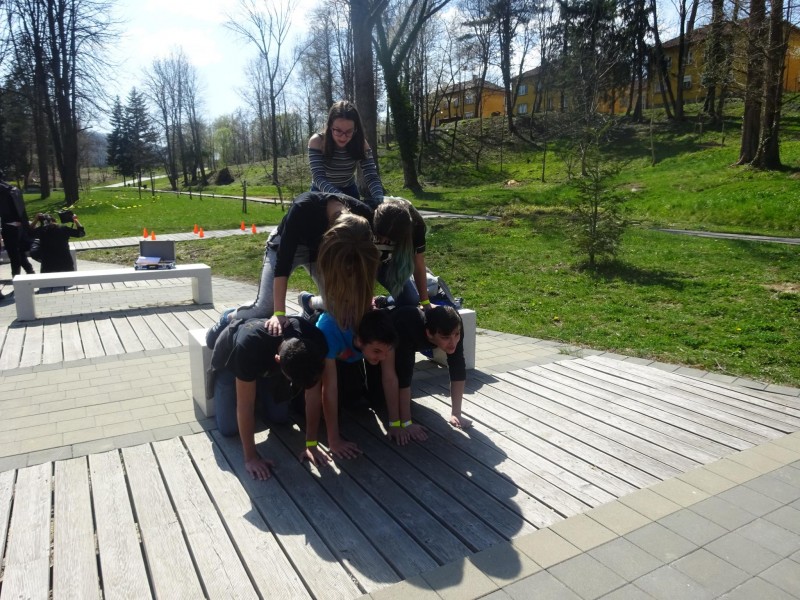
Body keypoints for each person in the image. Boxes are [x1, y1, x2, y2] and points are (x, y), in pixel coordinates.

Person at [206, 191, 373, 346]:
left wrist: (359, 301)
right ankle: (228, 316)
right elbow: (283, 264)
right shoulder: (303, 207)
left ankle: (309, 303)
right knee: (265, 308)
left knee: (340, 306)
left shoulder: (362, 215)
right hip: (284, 248)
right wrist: (279, 313)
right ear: (331, 231)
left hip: (318, 252)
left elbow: (362, 262)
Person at [209, 316, 328, 480]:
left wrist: (312, 444)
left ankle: (259, 386)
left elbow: (313, 395)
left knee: (280, 417)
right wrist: (251, 458)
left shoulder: (314, 339)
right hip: (230, 360)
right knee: (229, 429)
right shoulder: (247, 346)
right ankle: (228, 317)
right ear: (278, 360)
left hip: (268, 367)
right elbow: (245, 405)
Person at [391, 305, 471, 429]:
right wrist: (407, 424)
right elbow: (403, 378)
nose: (453, 342)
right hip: (389, 331)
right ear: (429, 333)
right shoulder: (409, 327)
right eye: (445, 337)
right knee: (379, 399)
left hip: (413, 331)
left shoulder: (454, 323)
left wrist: (456, 414)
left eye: (456, 335)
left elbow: (458, 366)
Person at [308, 100, 384, 208]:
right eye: (338, 131)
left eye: (349, 131)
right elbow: (318, 178)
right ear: (330, 126)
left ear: (355, 129)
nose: (343, 137)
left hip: (349, 190)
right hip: (321, 191)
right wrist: (343, 198)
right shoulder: (317, 141)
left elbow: (371, 176)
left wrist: (379, 199)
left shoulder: (361, 143)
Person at [0, 173, 35, 278]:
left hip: (9, 225)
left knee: (14, 253)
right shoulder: (13, 189)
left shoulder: (3, 191)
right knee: (19, 252)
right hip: (19, 225)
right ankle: (29, 271)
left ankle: (16, 276)